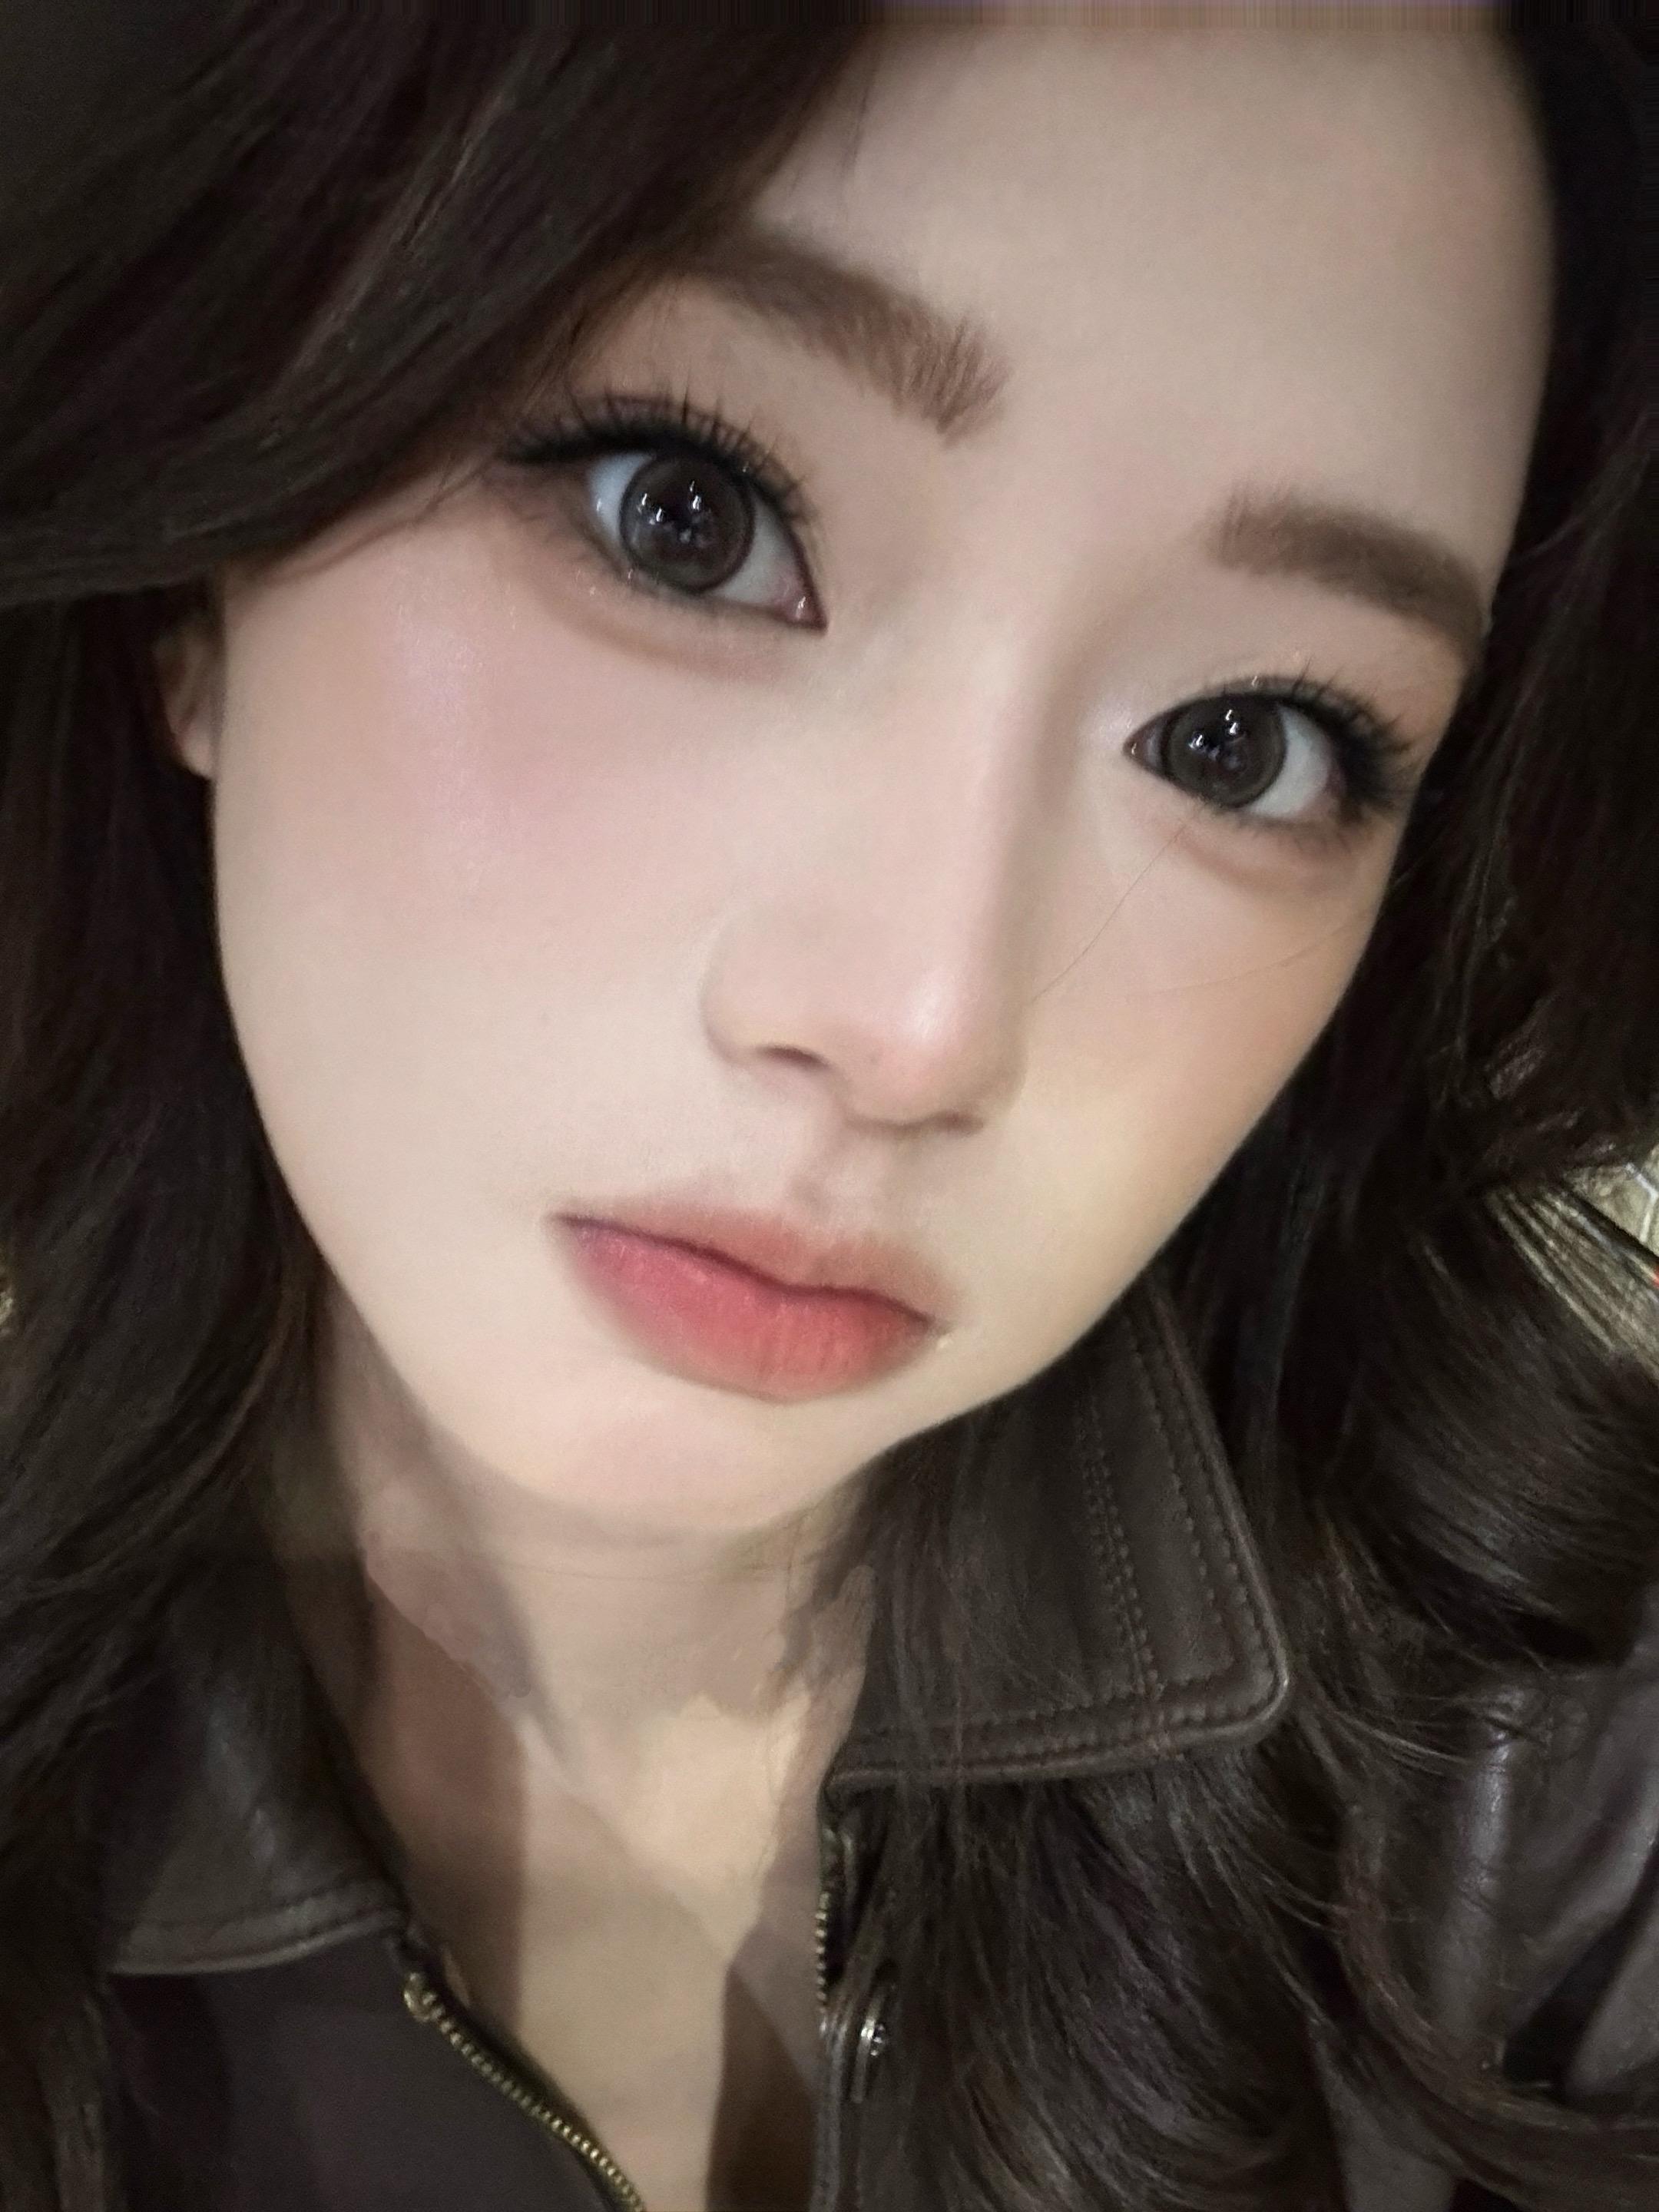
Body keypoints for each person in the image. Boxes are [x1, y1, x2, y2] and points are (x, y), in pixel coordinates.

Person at [0, 10, 1653, 2212]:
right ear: (203, 577)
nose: (921, 1028)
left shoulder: (1562, 1780)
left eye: (1247, 743)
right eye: (683, 521)